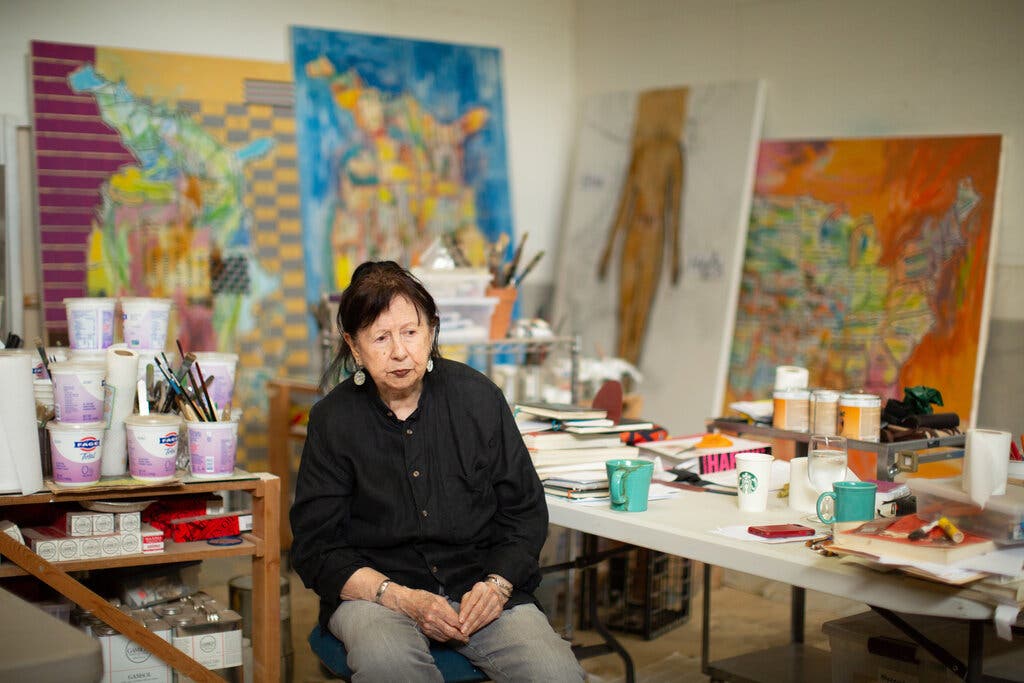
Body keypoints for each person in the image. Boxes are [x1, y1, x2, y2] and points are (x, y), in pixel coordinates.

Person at [290, 261, 584, 682]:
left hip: (480, 589)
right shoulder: (333, 422)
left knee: (556, 674)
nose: (399, 351)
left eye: (410, 332)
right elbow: (317, 548)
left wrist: (498, 584)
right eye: (380, 337)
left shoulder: (478, 399)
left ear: (432, 331)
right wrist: (402, 598)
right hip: (379, 596)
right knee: (390, 667)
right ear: (354, 347)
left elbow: (523, 511)